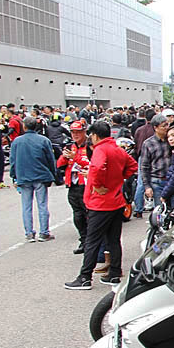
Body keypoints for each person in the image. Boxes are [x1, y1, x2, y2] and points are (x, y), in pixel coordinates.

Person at [65, 121, 137, 290]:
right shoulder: (117, 149)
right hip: (116, 200)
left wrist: (97, 184)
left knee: (92, 240)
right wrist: (118, 178)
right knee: (113, 240)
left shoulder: (100, 149)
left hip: (100, 203)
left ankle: (84, 277)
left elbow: (96, 168)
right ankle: (114, 273)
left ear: (95, 135)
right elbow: (132, 166)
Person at [9, 116, 57, 242]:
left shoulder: (17, 142)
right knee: (42, 205)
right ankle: (44, 232)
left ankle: (29, 233)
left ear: (24, 127)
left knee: (26, 206)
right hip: (40, 175)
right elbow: (50, 159)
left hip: (23, 176)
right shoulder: (43, 140)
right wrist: (53, 174)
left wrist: (14, 176)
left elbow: (13, 161)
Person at [57, 121, 91, 254]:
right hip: (73, 185)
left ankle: (91, 243)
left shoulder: (89, 147)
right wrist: (65, 157)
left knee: (88, 215)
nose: (75, 135)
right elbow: (59, 165)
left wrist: (75, 157)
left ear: (84, 132)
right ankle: (83, 241)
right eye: (73, 132)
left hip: (86, 185)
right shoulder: (70, 147)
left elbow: (90, 164)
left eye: (78, 132)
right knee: (77, 216)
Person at [139, 114, 171, 207]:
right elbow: (144, 166)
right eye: (163, 126)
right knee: (160, 209)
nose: (166, 128)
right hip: (157, 182)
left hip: (171, 181)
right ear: (156, 128)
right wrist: (147, 186)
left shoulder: (170, 140)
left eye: (167, 125)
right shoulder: (148, 143)